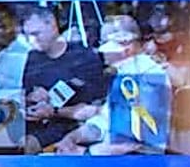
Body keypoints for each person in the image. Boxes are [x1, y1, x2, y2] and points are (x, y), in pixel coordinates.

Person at [56, 14, 172, 155]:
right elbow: (104, 122)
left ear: (126, 45)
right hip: (112, 156)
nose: (102, 51)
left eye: (106, 43)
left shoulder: (151, 76)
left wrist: (85, 153)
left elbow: (135, 139)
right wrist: (73, 137)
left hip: (140, 161)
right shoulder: (123, 74)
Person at [20, 5, 108, 152]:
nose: (31, 40)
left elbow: (95, 109)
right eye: (27, 35)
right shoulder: (33, 58)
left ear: (52, 25)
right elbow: (24, 94)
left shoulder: (84, 58)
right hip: (34, 122)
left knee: (26, 146)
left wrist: (53, 111)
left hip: (70, 126)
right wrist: (31, 97)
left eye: (36, 34)